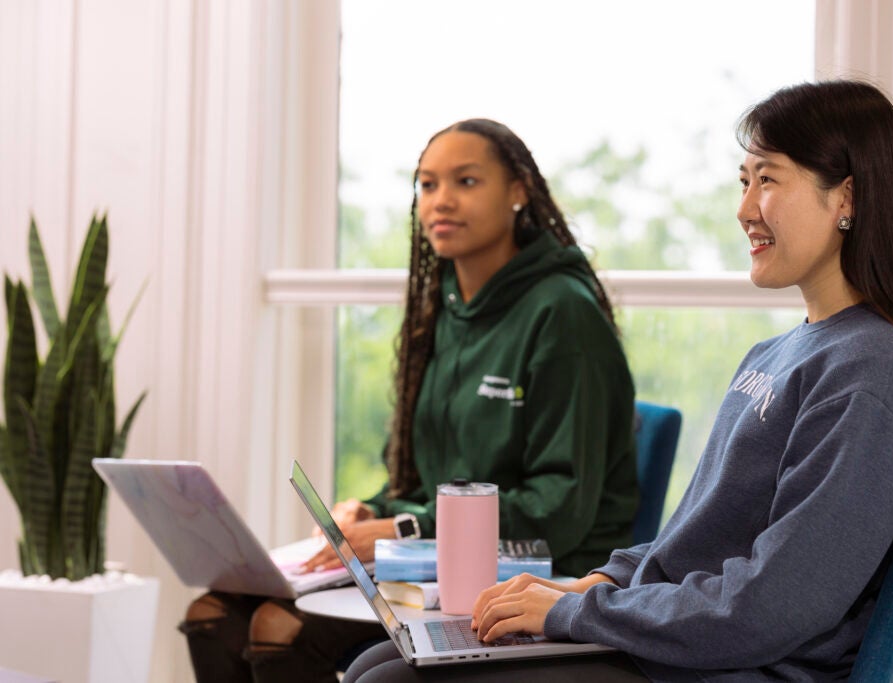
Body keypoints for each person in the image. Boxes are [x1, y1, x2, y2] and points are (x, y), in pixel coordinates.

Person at [342, 79, 893, 682]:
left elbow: (774, 604)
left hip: (732, 669)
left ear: (846, 197)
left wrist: (572, 614)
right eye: (743, 181)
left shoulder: (873, 372)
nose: (744, 208)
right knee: (382, 662)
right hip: (682, 654)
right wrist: (598, 585)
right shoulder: (775, 354)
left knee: (392, 677)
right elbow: (692, 544)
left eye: (768, 180)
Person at [177, 118, 639, 682]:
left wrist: (404, 529)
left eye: (466, 182)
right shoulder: (443, 311)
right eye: (426, 184)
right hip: (440, 568)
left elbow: (559, 511)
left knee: (280, 627)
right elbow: (427, 483)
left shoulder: (563, 314)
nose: (441, 201)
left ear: (519, 191)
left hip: (540, 577)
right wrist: (374, 511)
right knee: (212, 613)